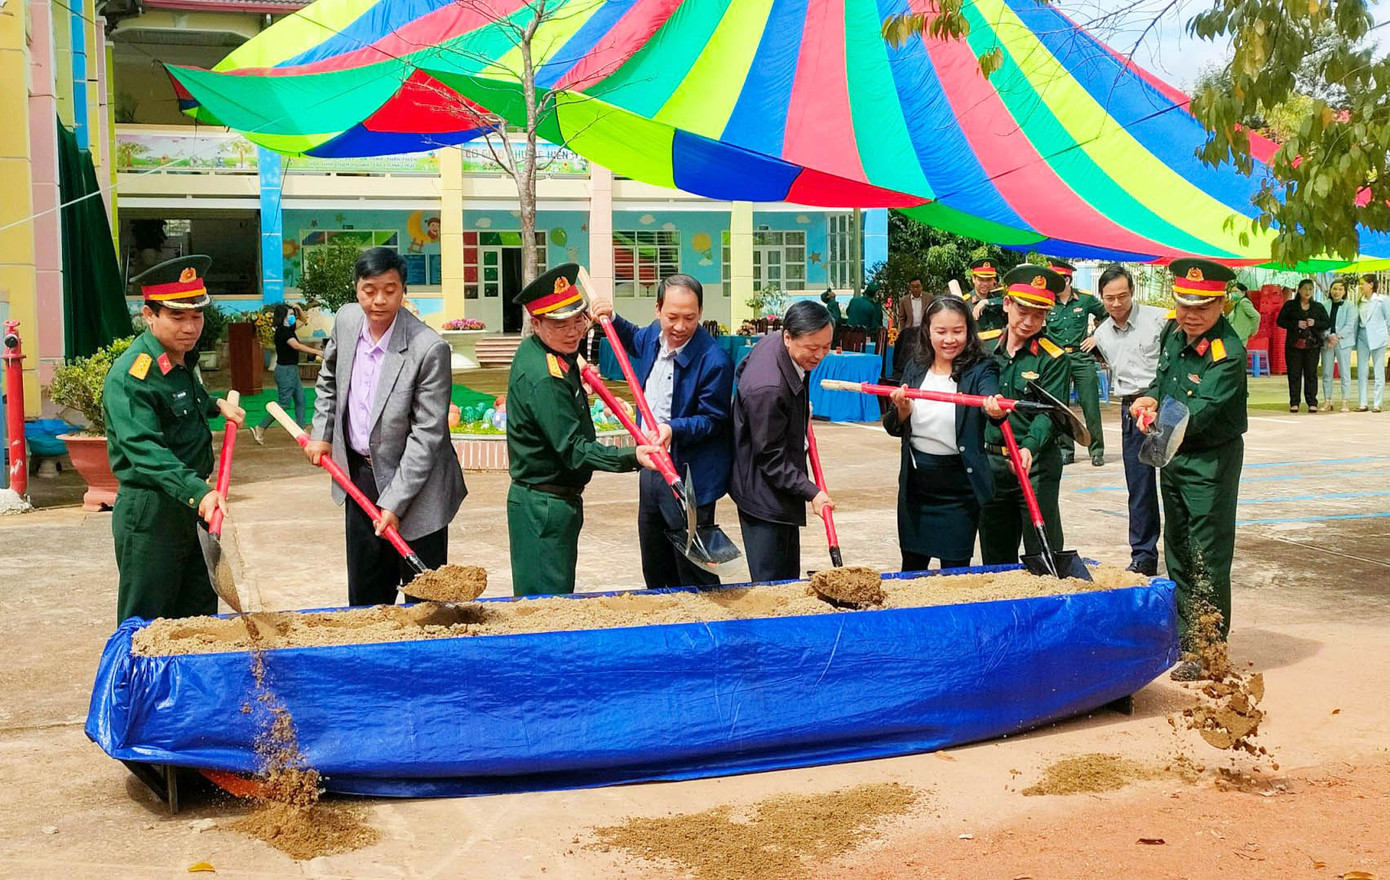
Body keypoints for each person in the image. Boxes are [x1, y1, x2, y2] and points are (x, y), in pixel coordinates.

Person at [305, 247, 467, 607]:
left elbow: (428, 435)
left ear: (403, 290)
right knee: (366, 598)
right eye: (369, 290)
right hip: (359, 478)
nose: (378, 300)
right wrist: (322, 433)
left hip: (418, 486)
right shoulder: (347, 322)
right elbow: (328, 379)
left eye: (390, 290)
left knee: (424, 602)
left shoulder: (428, 348)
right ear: (356, 288)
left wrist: (393, 502)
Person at [104, 255, 247, 623]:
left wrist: (215, 405)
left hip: (193, 506)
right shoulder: (133, 375)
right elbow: (145, 450)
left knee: (197, 618)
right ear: (149, 316)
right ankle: (134, 683)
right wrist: (199, 492)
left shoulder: (179, 358)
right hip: (152, 512)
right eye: (177, 317)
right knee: (148, 623)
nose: (190, 327)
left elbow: (187, 402)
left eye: (196, 316)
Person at [504, 264, 662, 595]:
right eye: (560, 324)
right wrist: (633, 456)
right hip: (544, 508)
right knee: (546, 607)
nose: (573, 331)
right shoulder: (545, 378)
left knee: (551, 597)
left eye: (578, 319)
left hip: (550, 503)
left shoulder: (545, 352)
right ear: (536, 323)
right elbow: (575, 450)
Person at [1129, 258, 1247, 681]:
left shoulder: (1227, 353)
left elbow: (1200, 411)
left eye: (1203, 307)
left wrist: (1158, 416)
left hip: (1208, 461)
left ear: (1223, 304)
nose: (1191, 315)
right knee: (1177, 547)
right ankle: (1182, 636)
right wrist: (1148, 399)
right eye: (1184, 305)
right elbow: (1164, 381)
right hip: (1172, 456)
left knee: (1207, 554)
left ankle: (1210, 646)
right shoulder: (1173, 332)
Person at [592, 274, 735, 590]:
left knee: (693, 563)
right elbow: (633, 338)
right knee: (654, 554)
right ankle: (663, 617)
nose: (681, 326)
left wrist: (673, 428)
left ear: (700, 313)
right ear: (658, 309)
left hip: (687, 474)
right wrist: (611, 318)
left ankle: (703, 625)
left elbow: (714, 419)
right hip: (652, 466)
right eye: (672, 317)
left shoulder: (714, 360)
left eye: (690, 318)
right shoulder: (654, 335)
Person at [883, 297, 1003, 571]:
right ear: (927, 331)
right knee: (912, 569)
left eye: (957, 331)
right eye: (941, 331)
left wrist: (994, 406)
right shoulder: (916, 366)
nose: (950, 339)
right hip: (917, 488)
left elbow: (990, 393)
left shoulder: (981, 368)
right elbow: (892, 425)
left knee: (955, 572)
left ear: (968, 331)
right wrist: (902, 410)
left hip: (959, 489)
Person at [730, 301, 836, 582]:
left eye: (826, 346)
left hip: (775, 485)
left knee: (787, 573)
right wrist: (811, 491)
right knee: (774, 581)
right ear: (788, 336)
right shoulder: (768, 388)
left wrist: (797, 411)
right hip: (763, 494)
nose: (820, 355)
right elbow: (771, 458)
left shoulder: (775, 343)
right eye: (812, 348)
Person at [977, 265, 1071, 566]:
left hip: (1036, 466)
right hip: (992, 465)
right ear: (1006, 303)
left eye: (1039, 314)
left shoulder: (1053, 357)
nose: (1029, 321)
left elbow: (1049, 414)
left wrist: (1029, 446)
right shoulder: (984, 347)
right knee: (996, 559)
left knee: (1044, 556)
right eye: (1023, 310)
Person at [1089, 264, 1168, 576]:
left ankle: (1180, 554)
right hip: (1130, 407)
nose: (1117, 304)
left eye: (1122, 296)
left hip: (1162, 402)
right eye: (1110, 298)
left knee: (1174, 483)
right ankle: (1144, 555)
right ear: (1102, 298)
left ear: (1132, 293)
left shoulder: (1158, 319)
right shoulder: (1102, 335)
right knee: (1139, 485)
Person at [1045, 258, 1108, 466]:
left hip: (1081, 357)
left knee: (1090, 405)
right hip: (1058, 359)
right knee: (1061, 406)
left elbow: (1107, 316)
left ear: (1067, 279)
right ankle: (1066, 450)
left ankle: (1096, 450)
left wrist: (1096, 337)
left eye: (1057, 280)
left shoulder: (1085, 299)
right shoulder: (1047, 301)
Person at [252, 304, 322, 442]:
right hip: (285, 371)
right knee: (284, 404)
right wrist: (317, 352)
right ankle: (260, 427)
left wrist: (298, 309)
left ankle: (301, 429)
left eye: (292, 314)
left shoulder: (289, 328)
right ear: (282, 317)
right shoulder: (282, 332)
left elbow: (303, 320)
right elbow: (296, 345)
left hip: (292, 370)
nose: (292, 317)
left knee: (300, 399)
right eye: (290, 314)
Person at [1276, 278, 1329, 413]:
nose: (1307, 292)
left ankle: (1312, 401)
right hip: (1294, 346)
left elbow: (1327, 323)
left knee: (1311, 373)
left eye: (1310, 289)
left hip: (1312, 345)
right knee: (1294, 374)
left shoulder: (1318, 307)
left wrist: (1314, 323)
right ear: (1299, 290)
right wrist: (1296, 324)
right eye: (1305, 289)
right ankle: (1294, 402)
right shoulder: (1290, 305)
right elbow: (1280, 321)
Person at [1320, 278, 1358, 412]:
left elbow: (1350, 325)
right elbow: (1322, 323)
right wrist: (1328, 336)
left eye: (1340, 289)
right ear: (1330, 290)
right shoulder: (1324, 305)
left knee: (1344, 372)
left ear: (1345, 291)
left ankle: (1345, 401)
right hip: (1327, 342)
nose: (1337, 292)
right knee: (1326, 372)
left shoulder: (1350, 305)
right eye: (1335, 289)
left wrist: (1337, 336)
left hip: (1343, 342)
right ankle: (1327, 400)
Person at [1353, 273, 1388, 412]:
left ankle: (1377, 403)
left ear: (1371, 285)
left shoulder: (1382, 300)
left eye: (1363, 284)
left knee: (1378, 369)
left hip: (1378, 338)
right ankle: (1363, 402)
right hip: (1362, 336)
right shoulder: (1360, 301)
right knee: (1362, 370)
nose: (1361, 286)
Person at [969, 258, 1007, 333]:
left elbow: (1010, 303)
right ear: (974, 279)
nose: (985, 284)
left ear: (993, 280)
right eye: (981, 279)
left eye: (989, 279)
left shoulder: (998, 298)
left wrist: (986, 302)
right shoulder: (966, 302)